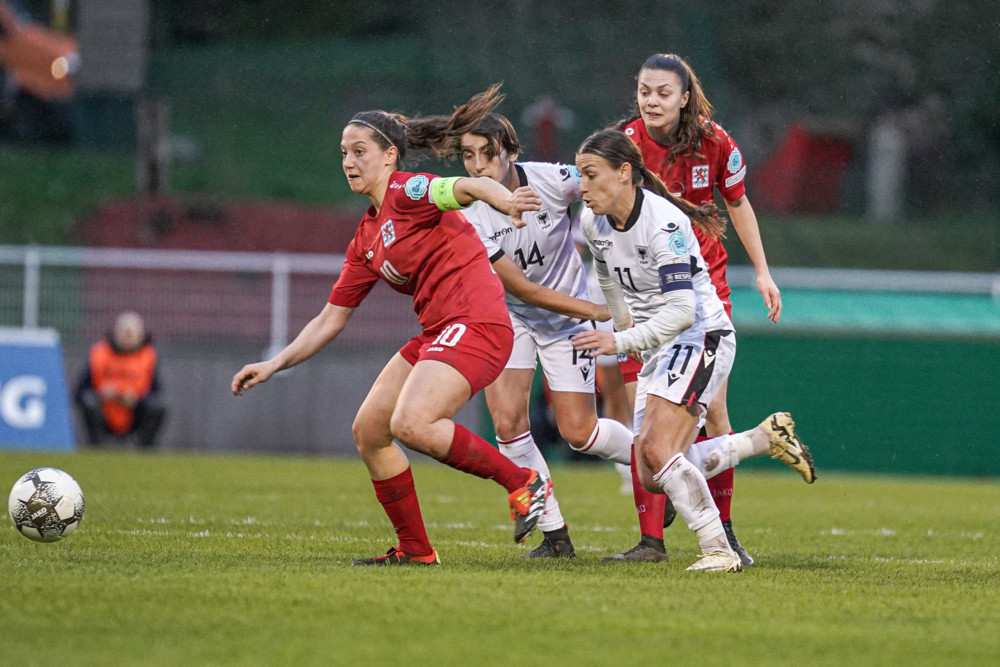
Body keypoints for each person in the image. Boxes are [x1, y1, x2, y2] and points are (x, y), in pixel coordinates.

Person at [231, 85, 553, 567]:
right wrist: (274, 363)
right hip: (439, 332)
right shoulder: (366, 239)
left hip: (478, 323)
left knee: (412, 423)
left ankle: (523, 482)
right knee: (370, 431)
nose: (349, 162)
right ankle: (417, 551)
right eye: (343, 153)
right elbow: (330, 318)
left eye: (359, 152)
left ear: (389, 156)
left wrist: (504, 201)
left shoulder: (408, 190)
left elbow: (466, 188)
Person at [570, 129, 815, 572]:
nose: (581, 187)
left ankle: (718, 550)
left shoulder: (664, 223)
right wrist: (627, 331)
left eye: (590, 175)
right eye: (579, 176)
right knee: (647, 471)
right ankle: (762, 439)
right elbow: (609, 282)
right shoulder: (593, 221)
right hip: (658, 346)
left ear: (624, 173)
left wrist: (620, 341)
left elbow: (683, 312)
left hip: (701, 336)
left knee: (659, 448)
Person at [608, 53, 786, 564]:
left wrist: (763, 271)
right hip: (644, 295)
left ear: (685, 97)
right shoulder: (627, 145)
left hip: (701, 293)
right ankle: (650, 542)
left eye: (663, 92)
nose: (652, 100)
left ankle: (725, 534)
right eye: (645, 91)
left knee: (712, 412)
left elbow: (739, 203)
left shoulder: (716, 142)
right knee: (641, 421)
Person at [458, 113, 635, 558]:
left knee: (578, 432)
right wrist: (598, 310)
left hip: (567, 323)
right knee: (507, 422)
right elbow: (520, 288)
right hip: (514, 317)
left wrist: (633, 227)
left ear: (512, 153)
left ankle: (662, 465)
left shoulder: (554, 180)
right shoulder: (471, 212)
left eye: (488, 154)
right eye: (468, 156)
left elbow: (605, 182)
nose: (478, 167)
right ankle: (556, 538)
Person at [74, 310, 166, 448]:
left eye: (131, 333)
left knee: (158, 406)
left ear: (140, 335)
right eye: (124, 332)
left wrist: (137, 399)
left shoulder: (149, 356)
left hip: (135, 413)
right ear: (116, 332)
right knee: (89, 401)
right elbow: (79, 393)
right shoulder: (99, 354)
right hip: (105, 411)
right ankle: (96, 449)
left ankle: (145, 450)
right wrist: (101, 394)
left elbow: (157, 393)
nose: (127, 338)